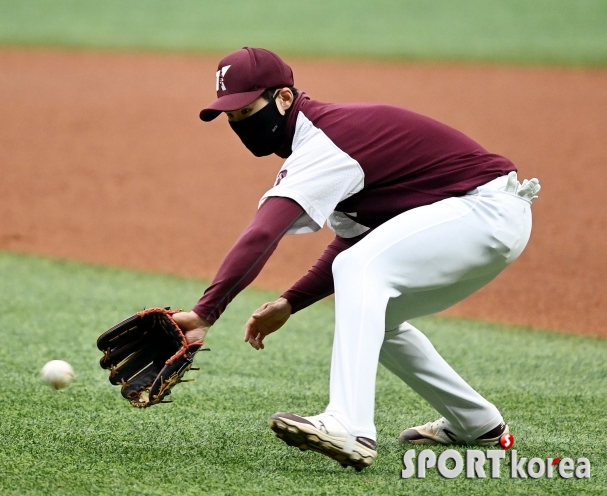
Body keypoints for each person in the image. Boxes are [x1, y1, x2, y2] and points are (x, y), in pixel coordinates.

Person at [171, 47, 540, 471]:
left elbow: (263, 232)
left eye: (246, 109)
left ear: (284, 99)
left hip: (483, 212)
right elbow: (352, 241)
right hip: (485, 221)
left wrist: (205, 312)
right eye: (230, 116)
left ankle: (350, 425)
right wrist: (290, 303)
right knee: (377, 315)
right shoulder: (327, 146)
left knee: (359, 271)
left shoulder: (324, 141)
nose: (239, 123)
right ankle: (477, 422)